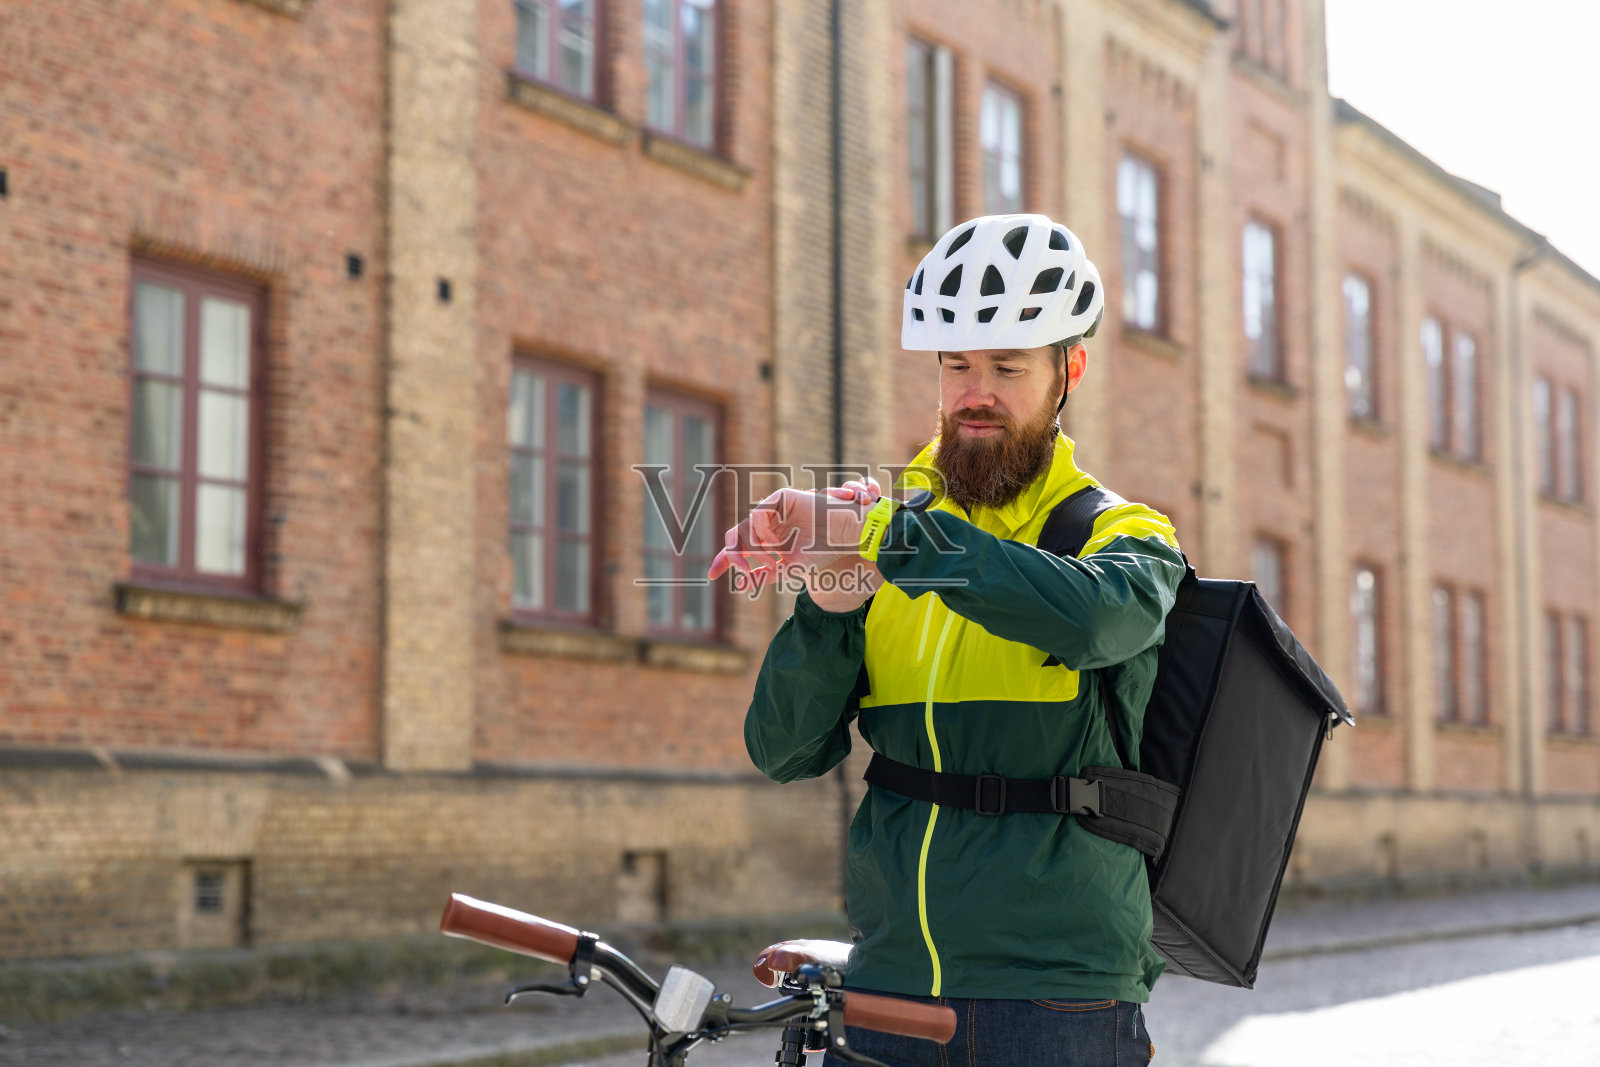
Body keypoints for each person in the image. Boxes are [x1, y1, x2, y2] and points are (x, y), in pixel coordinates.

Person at [709, 214, 1184, 1066]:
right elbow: (781, 750)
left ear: (1067, 370)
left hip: (1055, 997)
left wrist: (883, 530)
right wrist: (831, 593)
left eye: (1008, 366)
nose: (977, 391)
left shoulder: (1125, 534)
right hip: (891, 988)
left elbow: (1089, 618)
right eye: (958, 364)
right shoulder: (887, 537)